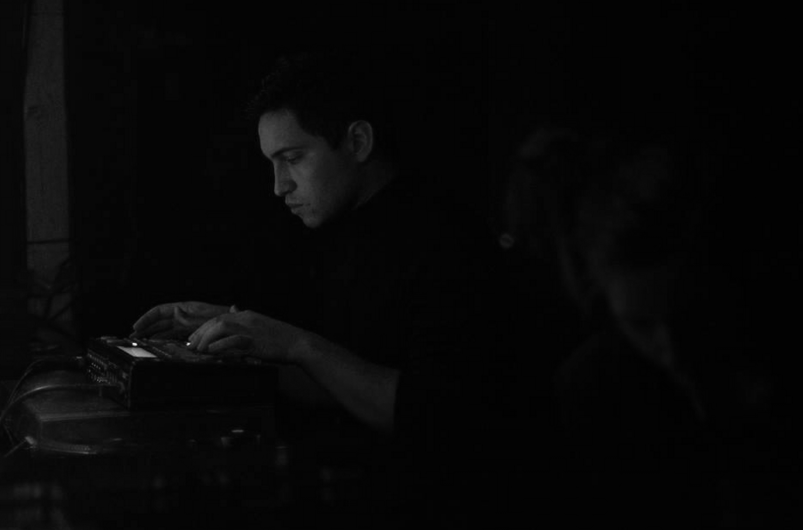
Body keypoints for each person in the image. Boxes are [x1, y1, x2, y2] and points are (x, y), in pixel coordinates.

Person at [130, 52, 511, 524]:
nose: (279, 186)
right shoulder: (346, 232)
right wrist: (236, 337)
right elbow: (341, 384)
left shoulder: (444, 242)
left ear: (358, 141)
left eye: (292, 159)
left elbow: (431, 414)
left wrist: (296, 344)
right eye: (272, 164)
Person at [522, 111, 803, 525]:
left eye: (687, 311)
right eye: (642, 324)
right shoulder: (597, 395)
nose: (671, 346)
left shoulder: (770, 374)